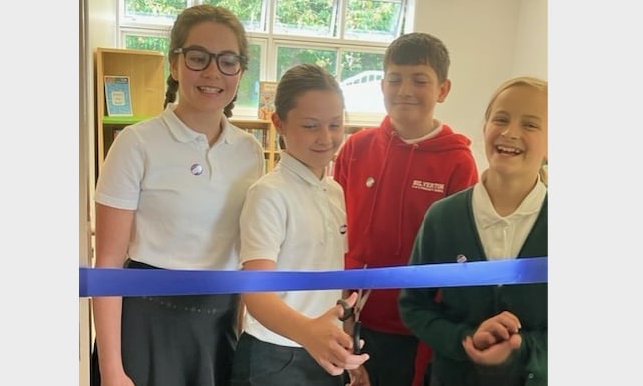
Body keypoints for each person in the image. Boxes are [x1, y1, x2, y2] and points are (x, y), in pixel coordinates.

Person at [90, 4, 266, 386]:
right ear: (175, 65)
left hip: (217, 323)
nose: (213, 72)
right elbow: (106, 262)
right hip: (147, 323)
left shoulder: (250, 152)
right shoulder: (136, 143)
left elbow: (244, 256)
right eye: (198, 57)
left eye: (228, 61)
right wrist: (111, 371)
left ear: (240, 70)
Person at [332, 32, 479, 386]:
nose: (405, 90)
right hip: (347, 314)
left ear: (443, 89)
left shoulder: (458, 161)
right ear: (382, 84)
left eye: (420, 80)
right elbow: (333, 227)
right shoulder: (356, 147)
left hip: (414, 323)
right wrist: (339, 304)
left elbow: (459, 250)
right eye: (395, 79)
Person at [398, 76, 548, 386]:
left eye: (531, 125)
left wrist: (523, 348)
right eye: (501, 119)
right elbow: (413, 304)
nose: (510, 132)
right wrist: (464, 339)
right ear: (485, 127)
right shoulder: (443, 217)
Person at [230, 63, 370, 386]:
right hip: (275, 355)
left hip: (323, 349)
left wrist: (346, 347)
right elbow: (256, 294)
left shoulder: (334, 191)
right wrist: (309, 334)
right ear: (278, 123)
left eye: (335, 124)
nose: (326, 138)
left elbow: (335, 280)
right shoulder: (268, 194)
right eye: (310, 125)